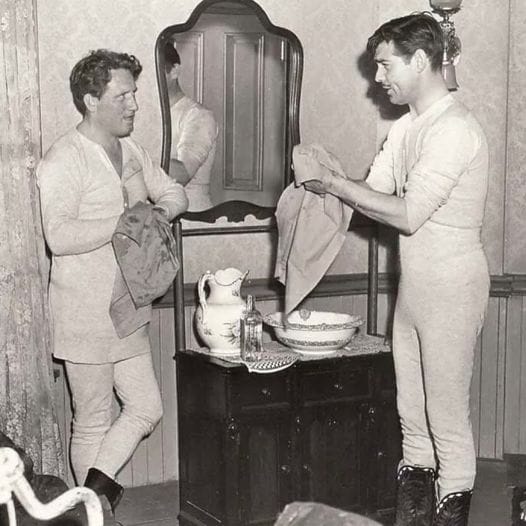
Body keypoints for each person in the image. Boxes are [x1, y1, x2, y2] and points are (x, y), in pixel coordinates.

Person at [299, 13, 489, 526]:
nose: (378, 77)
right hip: (415, 291)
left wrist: (336, 185)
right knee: (412, 419)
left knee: (447, 421)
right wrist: (326, 177)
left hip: (453, 288)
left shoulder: (455, 129)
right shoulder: (406, 127)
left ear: (421, 60)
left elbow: (406, 214)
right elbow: (374, 195)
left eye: (385, 65)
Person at [37, 49, 188, 516]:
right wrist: (123, 223)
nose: (134, 105)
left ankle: (92, 502)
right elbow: (58, 238)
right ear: (89, 100)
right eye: (122, 95)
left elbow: (174, 192)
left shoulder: (133, 151)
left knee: (147, 407)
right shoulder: (63, 159)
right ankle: (99, 511)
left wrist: (155, 214)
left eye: (134, 94)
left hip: (129, 306)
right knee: (93, 422)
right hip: (83, 312)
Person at [164, 41, 218, 212]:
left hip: (192, 219)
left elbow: (180, 175)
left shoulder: (198, 115)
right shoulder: (146, 115)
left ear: (174, 71)